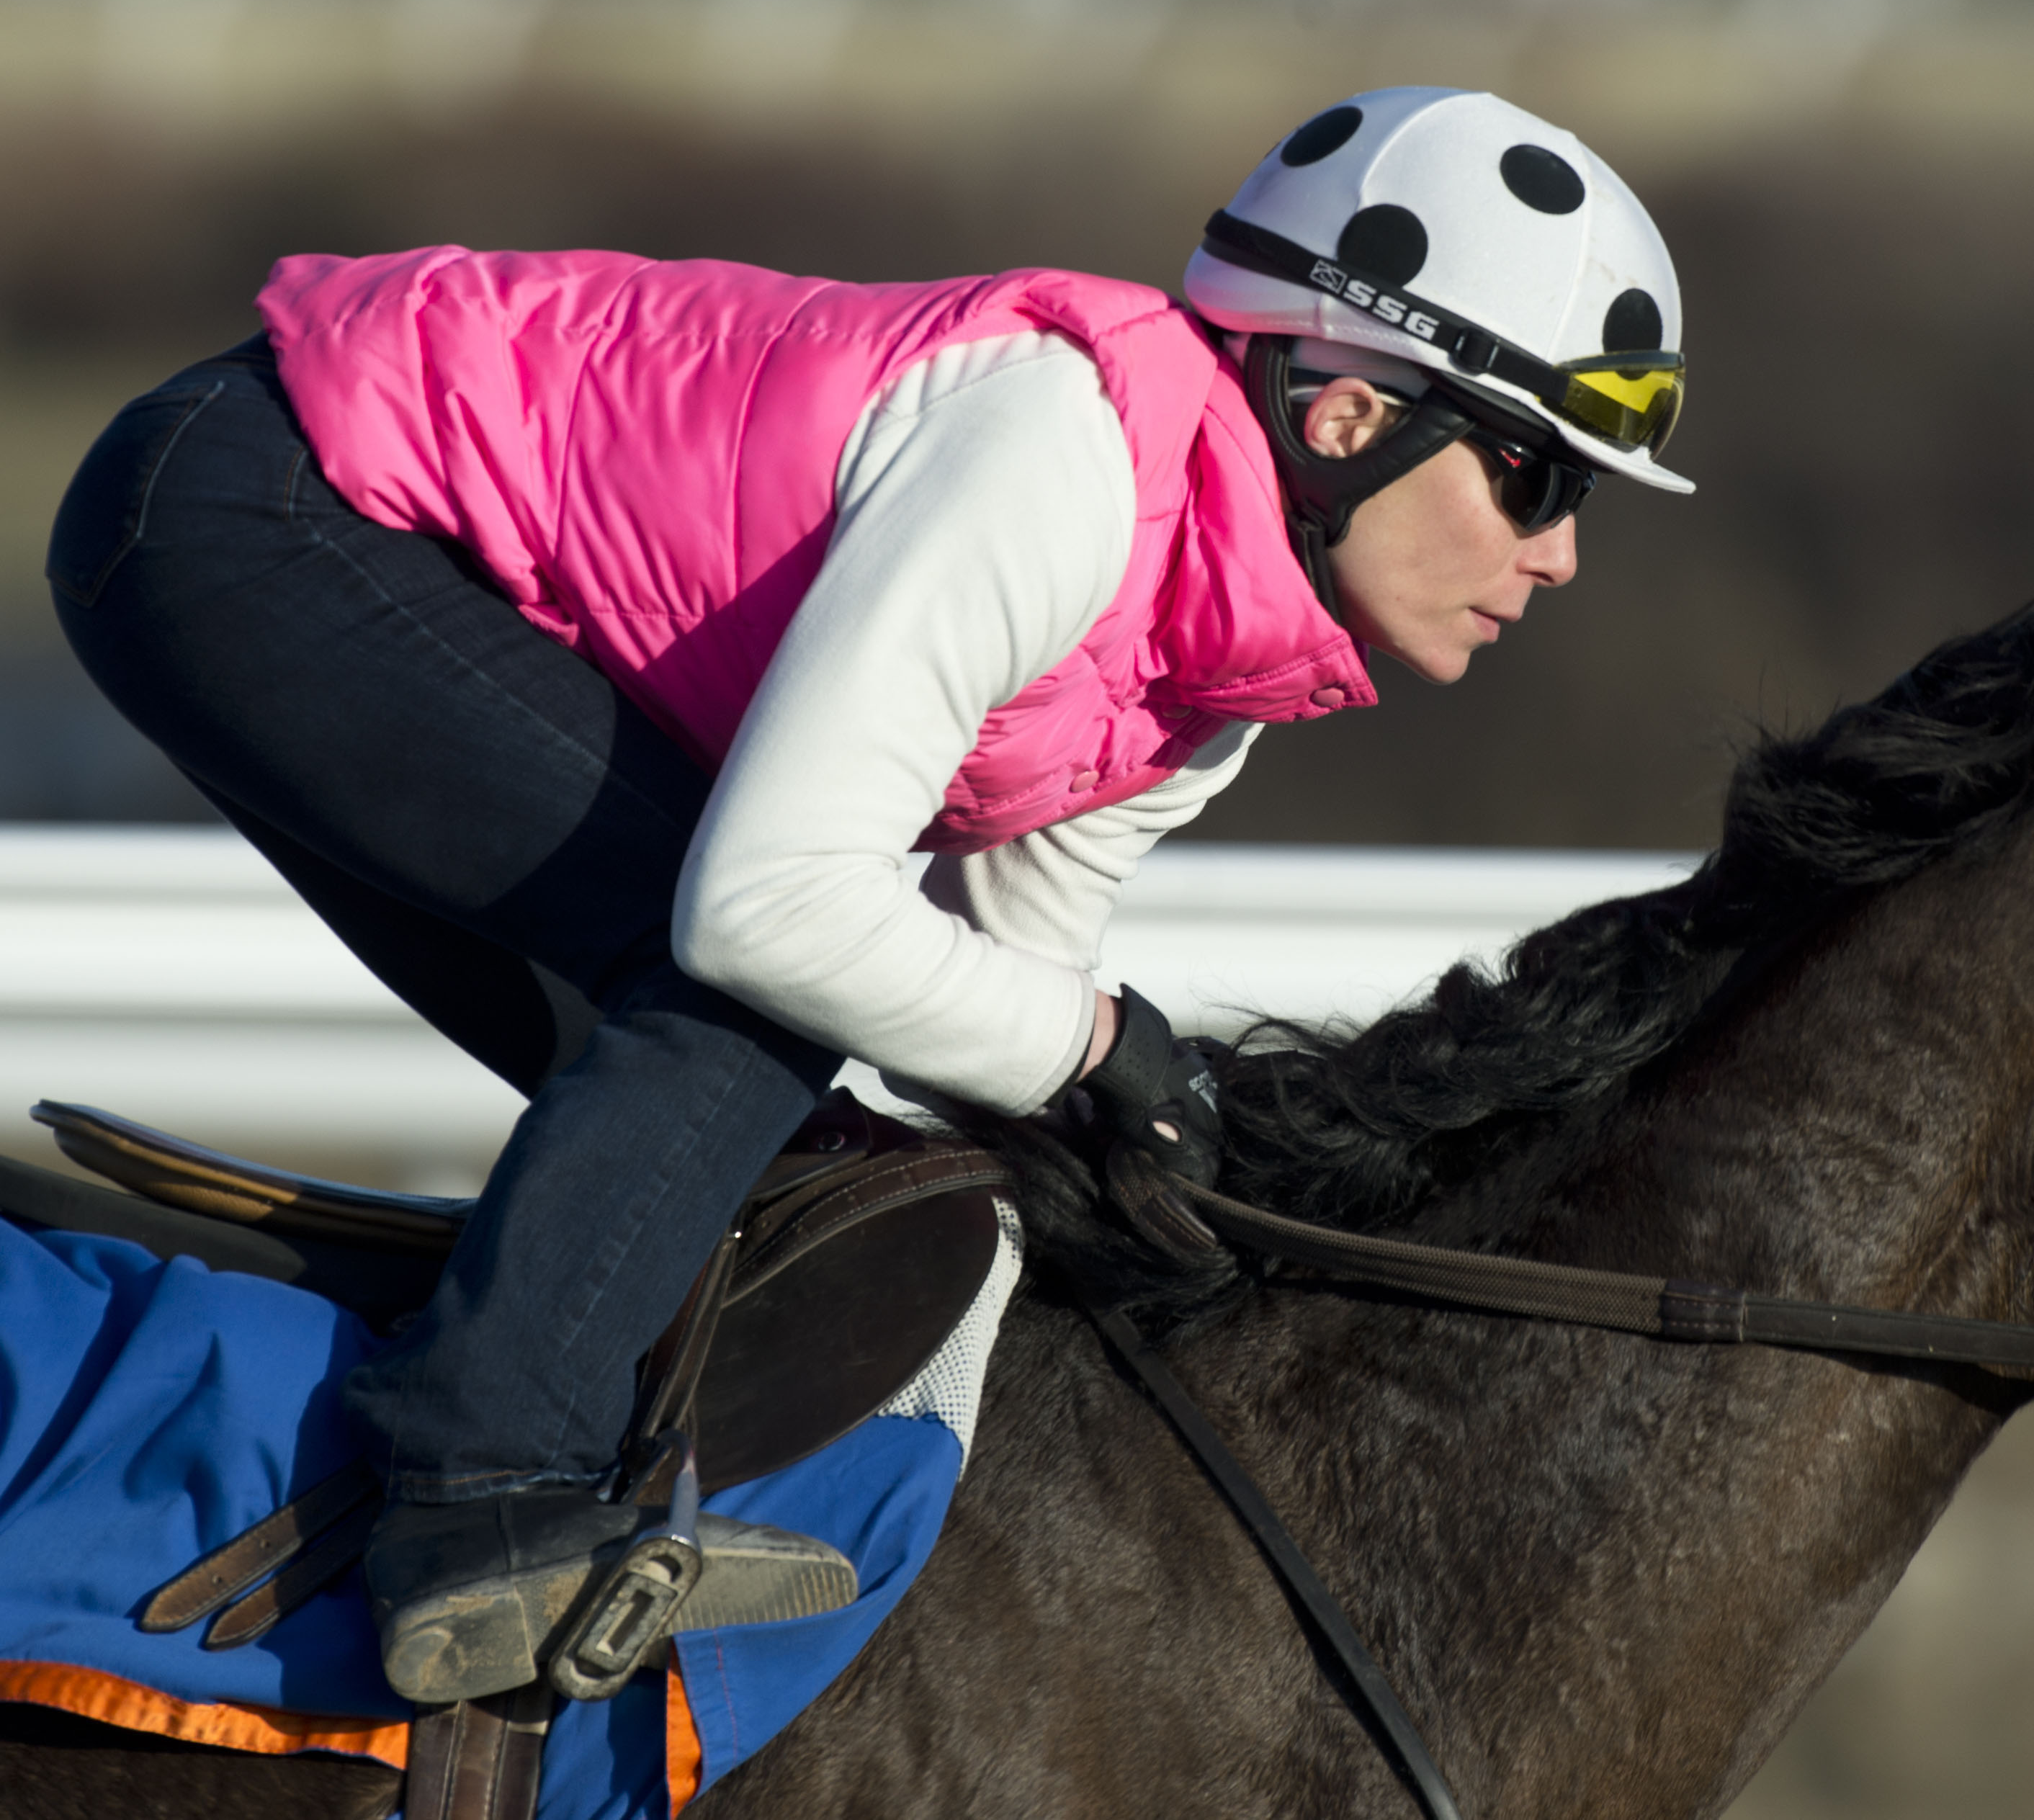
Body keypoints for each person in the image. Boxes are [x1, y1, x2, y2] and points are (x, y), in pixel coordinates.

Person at [44, 85, 1688, 1705]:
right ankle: (475, 1494)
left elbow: (980, 1020)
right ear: (1347, 415)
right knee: (756, 992)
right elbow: (775, 917)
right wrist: (1106, 1045)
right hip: (250, 507)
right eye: (1540, 482)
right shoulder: (1053, 455)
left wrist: (1119, 1167)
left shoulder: (1210, 697)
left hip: (316, 542)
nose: (1556, 558)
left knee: (800, 1116)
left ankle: (648, 1455)